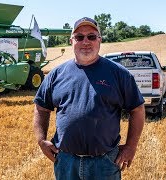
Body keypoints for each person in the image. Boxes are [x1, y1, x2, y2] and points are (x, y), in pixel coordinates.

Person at [33, 17, 145, 180]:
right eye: (79, 37)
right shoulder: (56, 75)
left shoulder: (119, 74)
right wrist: (41, 140)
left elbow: (137, 109)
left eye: (91, 36)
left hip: (105, 163)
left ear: (99, 40)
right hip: (66, 161)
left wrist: (131, 146)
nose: (86, 41)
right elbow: (41, 108)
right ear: (72, 41)